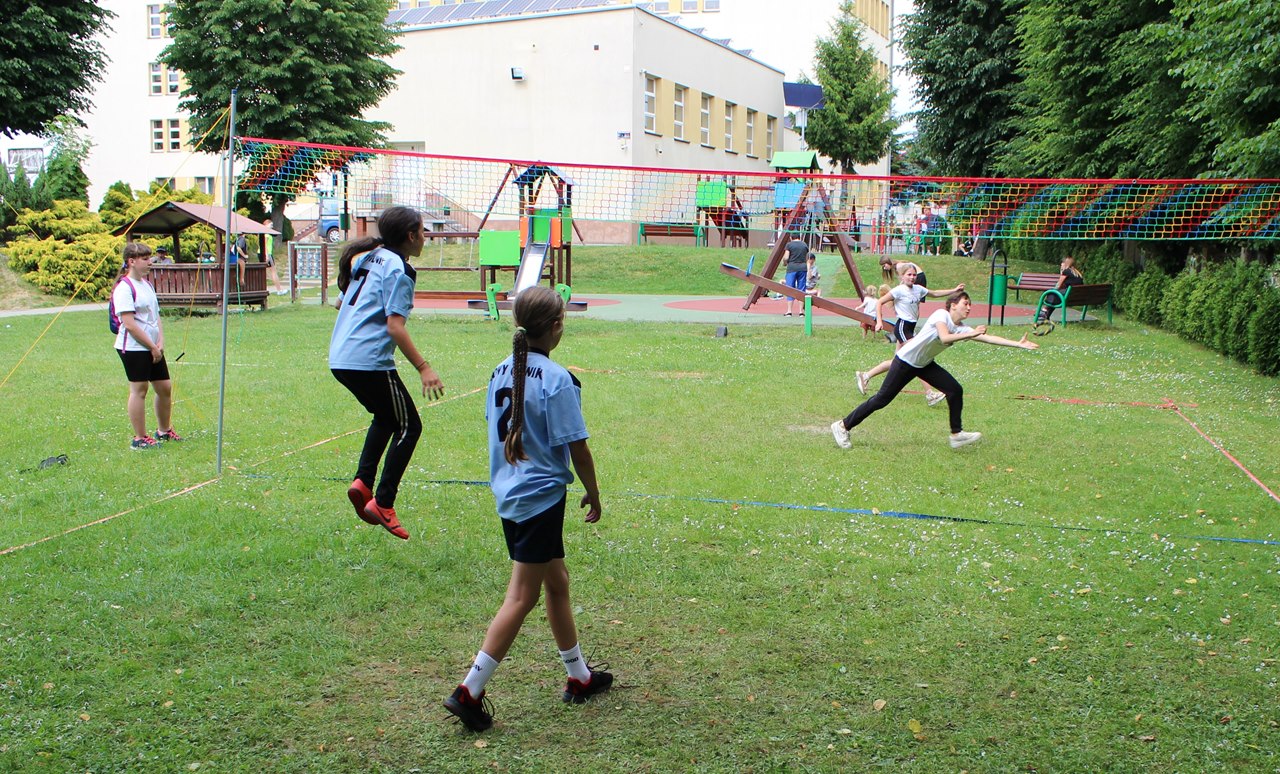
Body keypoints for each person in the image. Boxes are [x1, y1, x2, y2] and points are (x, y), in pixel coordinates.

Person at [444, 285, 611, 733]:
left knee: (557, 581)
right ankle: (469, 691)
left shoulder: (500, 370)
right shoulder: (557, 379)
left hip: (511, 494)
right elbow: (578, 448)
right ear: (556, 326)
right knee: (522, 596)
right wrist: (594, 492)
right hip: (540, 499)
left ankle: (579, 677)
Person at [329, 205, 445, 541]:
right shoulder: (401, 269)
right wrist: (424, 368)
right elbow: (395, 326)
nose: (425, 237)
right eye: (422, 231)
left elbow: (340, 303)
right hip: (367, 360)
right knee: (409, 426)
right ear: (410, 236)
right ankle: (383, 502)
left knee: (386, 417)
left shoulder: (369, 257)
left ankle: (363, 482)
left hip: (340, 357)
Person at [832, 291, 1038, 451]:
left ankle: (956, 435)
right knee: (881, 399)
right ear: (953, 305)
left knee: (955, 390)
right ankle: (842, 426)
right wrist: (971, 334)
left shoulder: (962, 328)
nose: (969, 308)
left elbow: (989, 339)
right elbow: (945, 337)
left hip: (924, 364)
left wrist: (1018, 344)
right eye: (965, 303)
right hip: (905, 361)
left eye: (970, 305)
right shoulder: (941, 315)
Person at [856, 262, 964, 405]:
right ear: (902, 276)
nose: (912, 277)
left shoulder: (918, 289)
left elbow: (935, 293)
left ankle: (865, 375)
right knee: (917, 356)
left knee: (897, 361)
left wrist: (954, 290)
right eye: (909, 275)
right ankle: (930, 394)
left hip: (910, 328)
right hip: (902, 327)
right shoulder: (899, 290)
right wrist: (879, 322)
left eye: (914, 275)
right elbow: (879, 302)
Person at [113, 242, 182, 450]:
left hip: (153, 347)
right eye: (145, 259)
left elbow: (155, 316)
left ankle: (164, 431)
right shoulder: (124, 288)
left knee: (164, 387)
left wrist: (160, 342)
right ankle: (139, 438)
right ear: (131, 261)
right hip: (133, 348)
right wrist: (152, 346)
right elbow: (129, 324)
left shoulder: (147, 285)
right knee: (139, 390)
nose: (149, 262)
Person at [1033, 255, 1085, 327]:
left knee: (1052, 292)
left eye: (1062, 262)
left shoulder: (1066, 271)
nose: (1061, 264)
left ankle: (1044, 310)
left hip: (1068, 296)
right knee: (1055, 295)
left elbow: (1058, 286)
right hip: (1076, 297)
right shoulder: (1076, 272)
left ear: (1066, 263)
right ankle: (1045, 313)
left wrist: (1062, 272)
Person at [782, 234, 811, 317]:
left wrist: (784, 263)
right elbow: (807, 258)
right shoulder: (804, 245)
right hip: (802, 268)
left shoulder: (789, 245)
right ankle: (801, 311)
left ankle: (789, 311)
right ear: (799, 237)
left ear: (791, 238)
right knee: (801, 289)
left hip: (792, 268)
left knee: (790, 288)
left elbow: (786, 257)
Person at [261, 218, 286, 295]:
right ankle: (279, 290)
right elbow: (264, 245)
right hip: (267, 254)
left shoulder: (267, 234)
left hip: (267, 253)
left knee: (270, 272)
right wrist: (266, 255)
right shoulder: (266, 235)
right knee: (273, 272)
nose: (271, 226)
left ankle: (278, 289)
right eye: (270, 225)